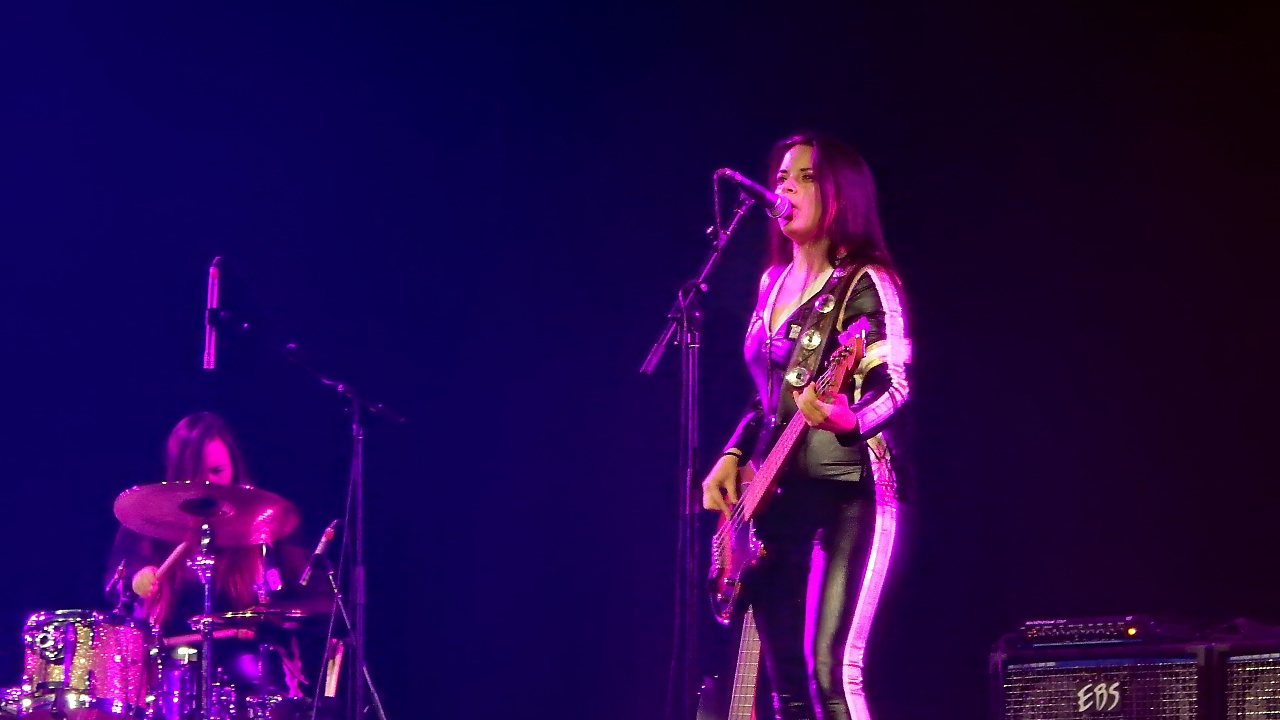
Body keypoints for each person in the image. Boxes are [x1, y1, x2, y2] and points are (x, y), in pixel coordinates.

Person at [702, 134, 911, 720]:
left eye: (806, 177)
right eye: (782, 177)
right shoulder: (771, 283)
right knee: (787, 688)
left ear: (840, 193)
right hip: (775, 500)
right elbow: (769, 397)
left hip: (847, 493)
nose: (786, 187)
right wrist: (732, 454)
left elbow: (894, 384)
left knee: (830, 674)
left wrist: (849, 416)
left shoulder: (866, 281)